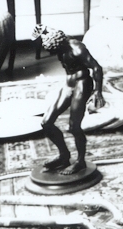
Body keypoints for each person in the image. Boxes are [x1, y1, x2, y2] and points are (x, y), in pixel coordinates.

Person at [32, 24, 105, 175]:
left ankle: (80, 162)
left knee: (74, 127)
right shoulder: (57, 38)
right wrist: (41, 31)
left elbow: (96, 68)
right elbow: (46, 30)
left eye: (54, 51)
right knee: (46, 122)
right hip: (68, 83)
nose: (52, 54)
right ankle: (64, 156)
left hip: (82, 84)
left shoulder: (77, 48)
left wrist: (97, 91)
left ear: (60, 45)